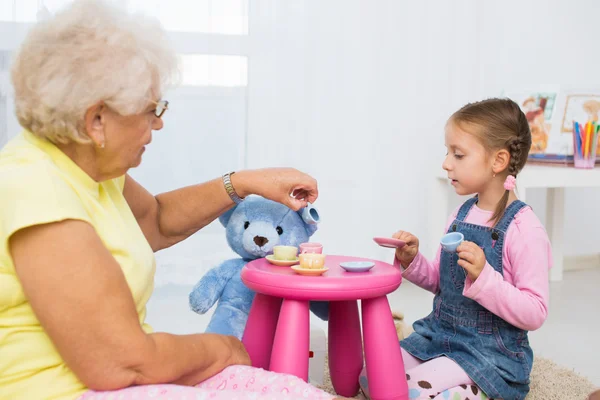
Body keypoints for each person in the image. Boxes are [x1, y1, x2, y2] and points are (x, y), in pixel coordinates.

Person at [0, 1, 343, 399]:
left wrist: (245, 183)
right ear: (96, 120)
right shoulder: (35, 188)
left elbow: (156, 220)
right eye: (152, 109)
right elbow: (123, 363)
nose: (159, 123)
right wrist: (223, 348)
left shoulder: (86, 168)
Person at [360, 98, 551, 400]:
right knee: (372, 374)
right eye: (448, 152)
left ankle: (483, 388)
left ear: (498, 161)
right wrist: (413, 260)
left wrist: (486, 278)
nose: (446, 163)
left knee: (405, 391)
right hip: (440, 336)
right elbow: (441, 282)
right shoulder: (461, 215)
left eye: (458, 154)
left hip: (487, 354)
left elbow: (536, 312)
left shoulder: (525, 230)